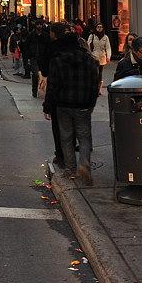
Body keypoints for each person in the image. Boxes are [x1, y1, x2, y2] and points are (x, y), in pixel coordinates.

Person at [43, 22, 99, 185]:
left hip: (64, 104)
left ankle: (70, 170)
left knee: (66, 137)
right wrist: (92, 101)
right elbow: (94, 83)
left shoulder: (58, 60)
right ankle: (84, 165)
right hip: (83, 104)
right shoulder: (88, 60)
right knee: (84, 136)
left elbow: (53, 85)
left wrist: (48, 105)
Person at [87, 22, 112, 91]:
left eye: (101, 27)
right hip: (94, 56)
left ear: (103, 28)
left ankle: (99, 88)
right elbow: (88, 45)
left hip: (102, 57)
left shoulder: (105, 37)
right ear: (96, 28)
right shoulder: (92, 36)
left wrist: (108, 56)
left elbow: (108, 47)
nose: (99, 28)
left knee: (100, 73)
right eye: (98, 27)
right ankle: (94, 86)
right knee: (95, 72)